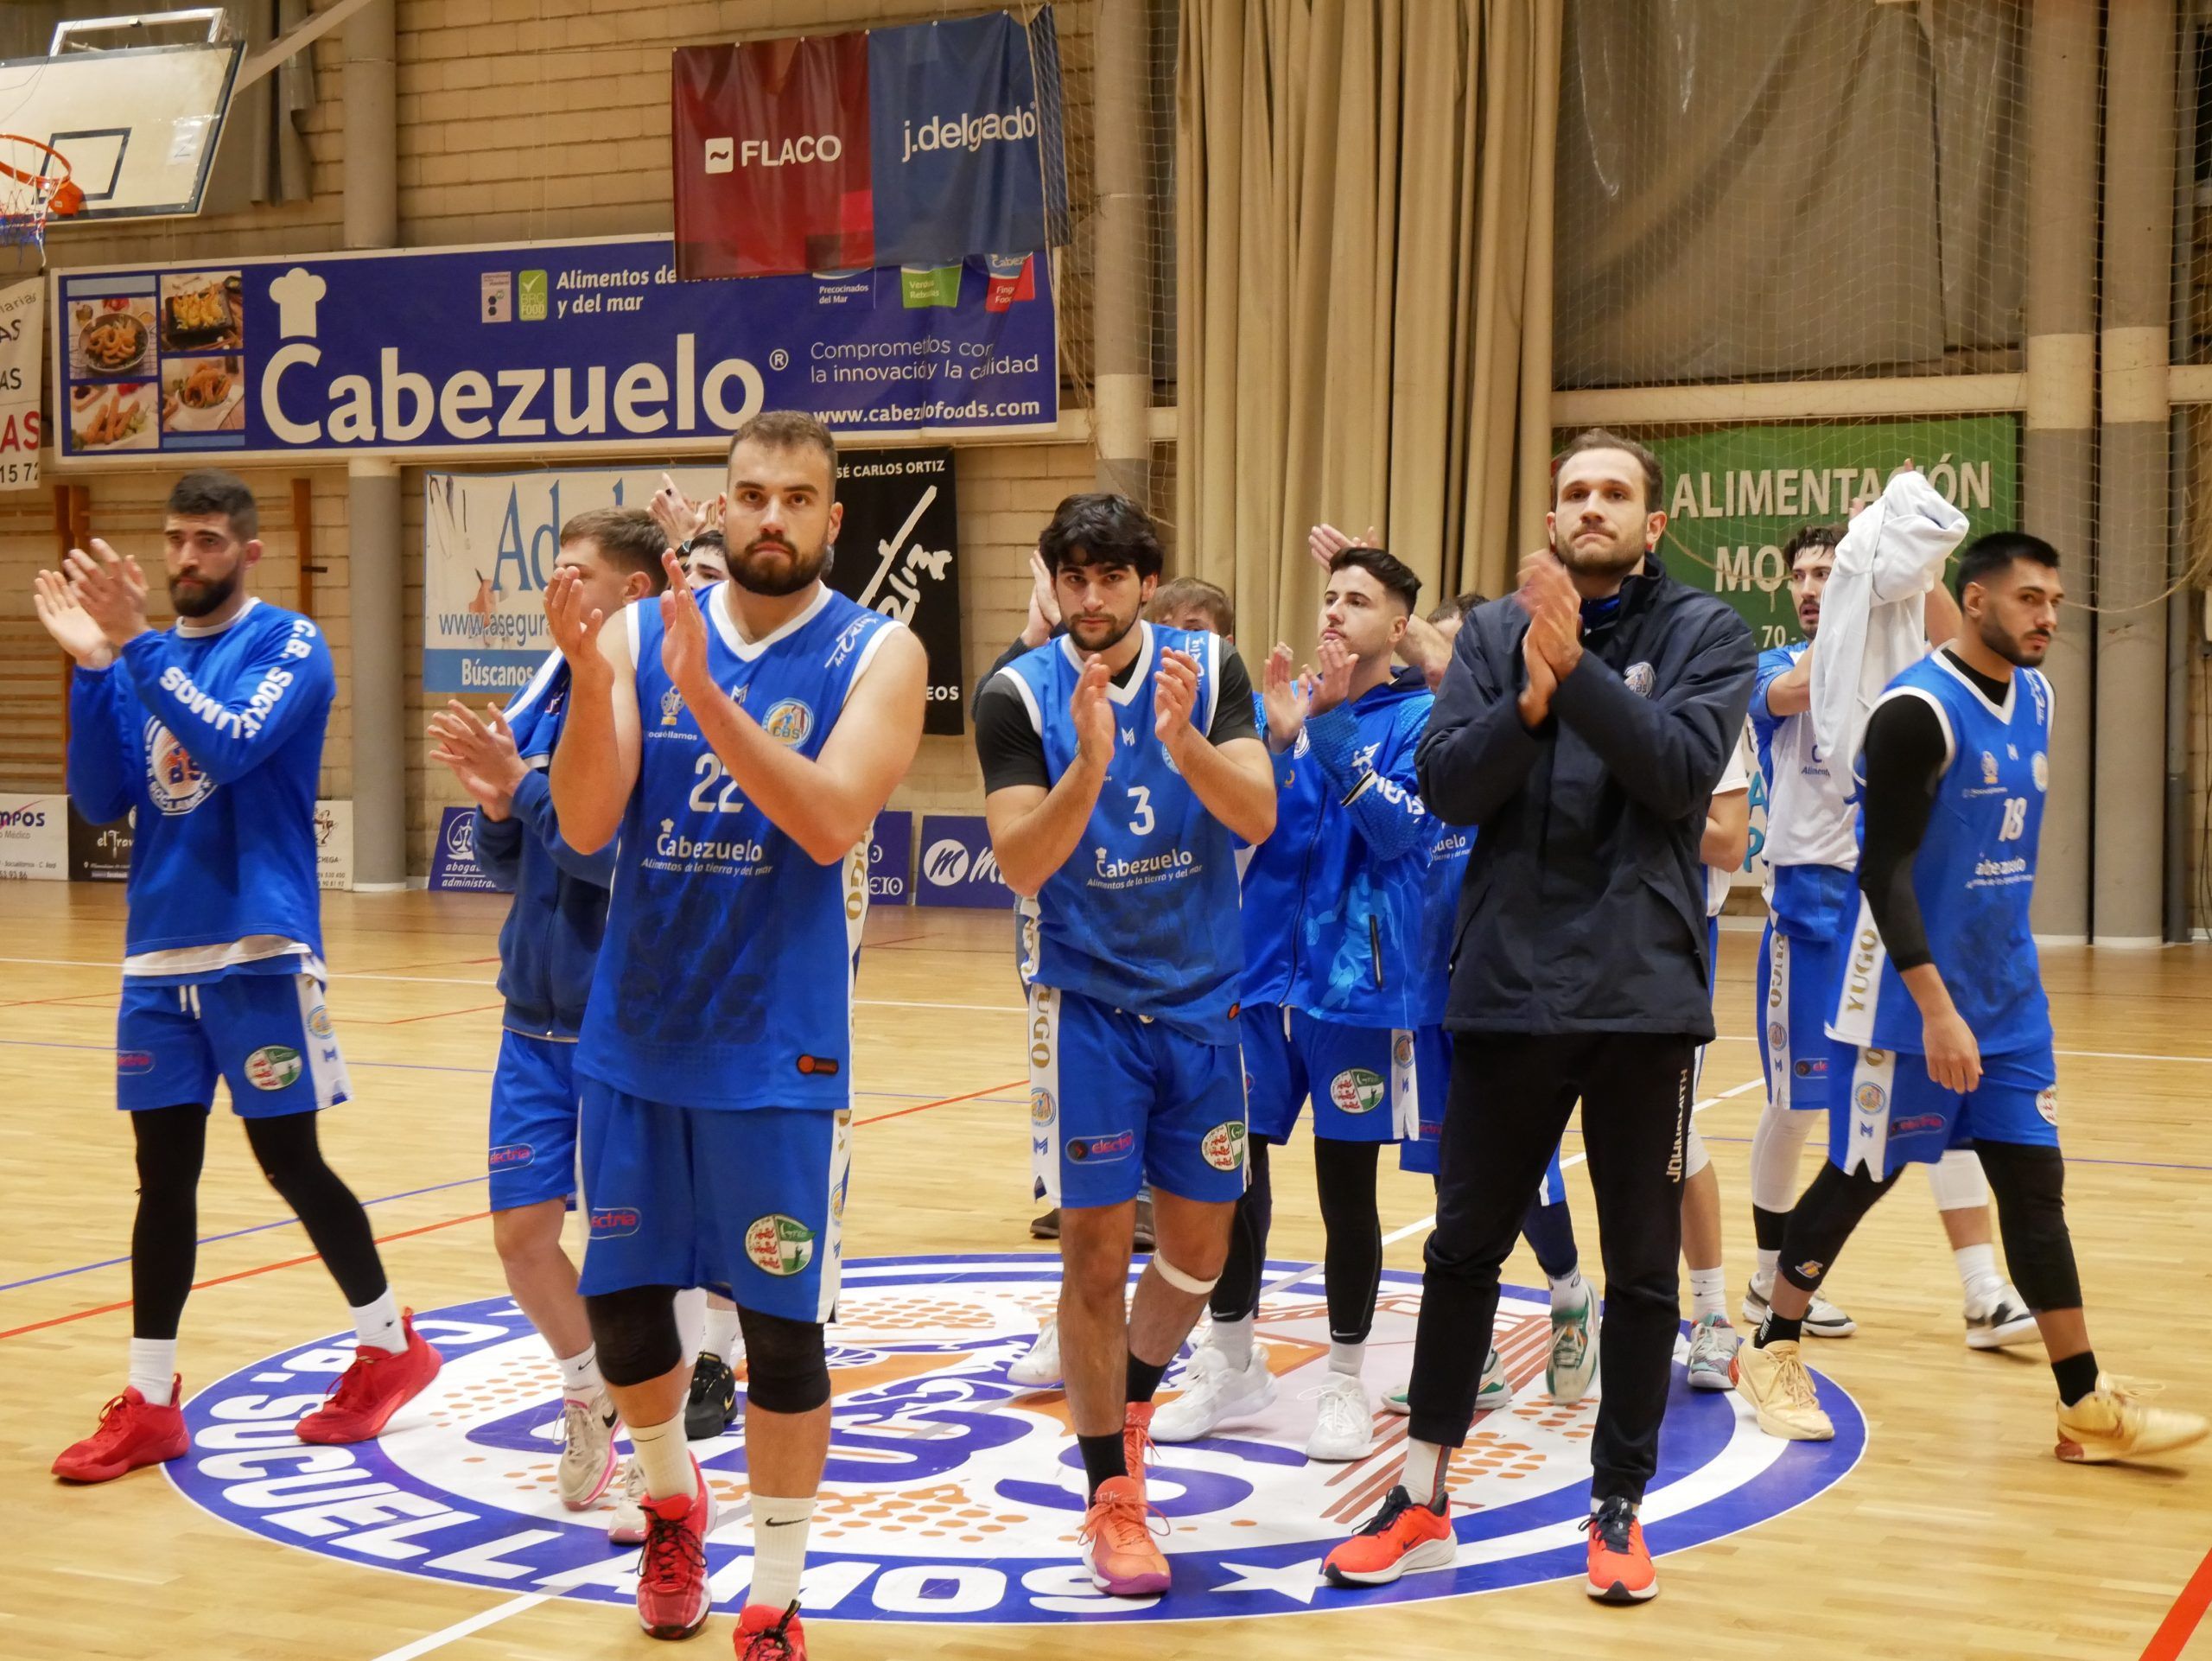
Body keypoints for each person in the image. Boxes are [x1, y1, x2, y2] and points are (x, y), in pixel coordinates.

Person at [1323, 429, 1756, 1605]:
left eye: (1616, 493)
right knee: (1465, 1246)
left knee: (1645, 1266)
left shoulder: (1710, 633)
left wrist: (1581, 673)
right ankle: (1420, 1492)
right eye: (1574, 492)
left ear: (1653, 522)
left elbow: (1676, 773)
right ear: (1553, 516)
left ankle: (1617, 1506)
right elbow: (1450, 781)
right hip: (1509, 987)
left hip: (1643, 997)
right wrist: (1528, 693)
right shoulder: (1499, 639)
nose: (1593, 507)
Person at [546, 411, 926, 1658]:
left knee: (779, 1330)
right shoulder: (633, 631)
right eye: (750, 494)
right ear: (721, 508)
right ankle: (670, 1504)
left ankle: (775, 1588)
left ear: (832, 518)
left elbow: (828, 823)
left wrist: (704, 696)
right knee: (629, 1315)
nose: (771, 516)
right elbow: (590, 824)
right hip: (637, 1033)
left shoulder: (881, 652)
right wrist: (594, 685)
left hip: (779, 1049)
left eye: (796, 498)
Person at [1732, 532, 2206, 1467]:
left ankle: (2082, 1405)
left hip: (2008, 994)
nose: (2048, 617)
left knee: (2036, 1190)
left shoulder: (2037, 693)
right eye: (2030, 599)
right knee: (1860, 1175)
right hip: (1906, 1000)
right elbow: (1884, 869)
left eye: (2055, 601)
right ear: (1978, 601)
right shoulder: (1914, 712)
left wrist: (1985, 1000)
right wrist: (1936, 1009)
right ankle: (1770, 1346)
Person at [40, 470, 442, 1484]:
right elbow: (97, 798)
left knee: (289, 1163)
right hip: (155, 958)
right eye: (175, 538)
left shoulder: (289, 644)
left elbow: (225, 746)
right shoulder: (144, 654)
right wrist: (94, 670)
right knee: (160, 1180)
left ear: (249, 551)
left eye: (208, 541)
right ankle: (152, 1399)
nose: (186, 558)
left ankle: (392, 1342)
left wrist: (131, 648)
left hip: (258, 950)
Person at [975, 492, 1274, 1596]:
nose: (1090, 598)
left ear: (1147, 582)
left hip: (1202, 1005)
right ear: (1053, 582)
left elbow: (1256, 817)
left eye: (1111, 577)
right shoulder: (1017, 693)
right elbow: (1018, 860)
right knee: (1093, 1260)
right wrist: (1091, 766)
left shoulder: (1208, 664)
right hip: (1089, 1009)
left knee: (1197, 1253)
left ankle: (1132, 1400)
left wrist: (1184, 741)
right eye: (1073, 577)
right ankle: (1110, 1491)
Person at [1154, 545, 1440, 1461]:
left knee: (1345, 1192)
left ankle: (1346, 1381)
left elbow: (1400, 832)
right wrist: (1277, 746)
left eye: (1357, 600)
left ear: (1397, 626)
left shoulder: (1425, 717)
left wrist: (1327, 735)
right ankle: (1232, 1357)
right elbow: (1252, 830)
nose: (1334, 612)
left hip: (1353, 992)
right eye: (1327, 595)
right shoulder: (1285, 711)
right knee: (1229, 1176)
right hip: (1256, 983)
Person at [429, 506, 669, 1517]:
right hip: (531, 1019)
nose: (555, 593)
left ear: (635, 597)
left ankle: (662, 1449)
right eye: (554, 574)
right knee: (522, 1235)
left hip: (626, 1029)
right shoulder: (543, 693)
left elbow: (602, 851)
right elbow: (518, 858)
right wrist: (496, 807)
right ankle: (588, 1396)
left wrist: (521, 789)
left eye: (577, 576)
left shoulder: (654, 708)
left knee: (628, 1251)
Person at [1748, 521, 2036, 1347]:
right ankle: (1769, 1281)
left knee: (1952, 1092)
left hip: (1897, 913)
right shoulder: (1775, 668)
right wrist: (1861, 597)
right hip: (1807, 914)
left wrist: (1917, 561)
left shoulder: (1913, 664)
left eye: (1826, 574)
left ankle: (1985, 1290)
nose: (1810, 587)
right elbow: (1811, 688)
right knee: (1799, 1108)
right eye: (1800, 575)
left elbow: (1958, 638)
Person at [1681, 731, 1753, 1388]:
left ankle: (1711, 1317)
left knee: (1672, 1132)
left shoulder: (1708, 702)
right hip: (1566, 928)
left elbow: (1730, 841)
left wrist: (1626, 794)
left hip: (1672, 935)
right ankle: (1567, 1290)